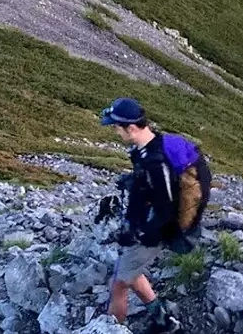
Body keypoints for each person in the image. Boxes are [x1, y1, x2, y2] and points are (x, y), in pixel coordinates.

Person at [100, 97, 183, 333]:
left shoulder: (155, 161)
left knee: (118, 284)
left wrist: (142, 233)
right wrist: (132, 182)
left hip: (153, 230)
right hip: (142, 224)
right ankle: (164, 322)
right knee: (130, 271)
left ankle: (114, 330)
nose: (116, 132)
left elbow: (167, 206)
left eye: (117, 127)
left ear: (132, 127)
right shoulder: (144, 150)